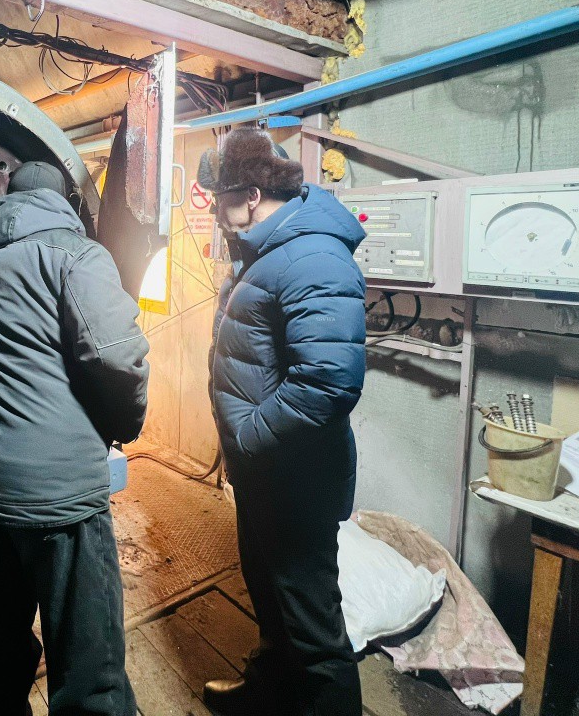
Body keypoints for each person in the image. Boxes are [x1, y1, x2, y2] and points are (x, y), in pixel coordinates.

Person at [0, 160, 150, 716]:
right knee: (88, 665)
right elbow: (116, 357)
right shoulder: (80, 257)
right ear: (66, 205)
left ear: (7, 200)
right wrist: (125, 425)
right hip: (59, 497)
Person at [198, 127, 366, 716]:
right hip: (265, 474)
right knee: (272, 602)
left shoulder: (312, 254)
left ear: (250, 196)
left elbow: (328, 381)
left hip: (297, 479)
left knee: (314, 628)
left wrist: (247, 435)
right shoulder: (268, 250)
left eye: (220, 200)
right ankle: (269, 692)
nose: (215, 214)